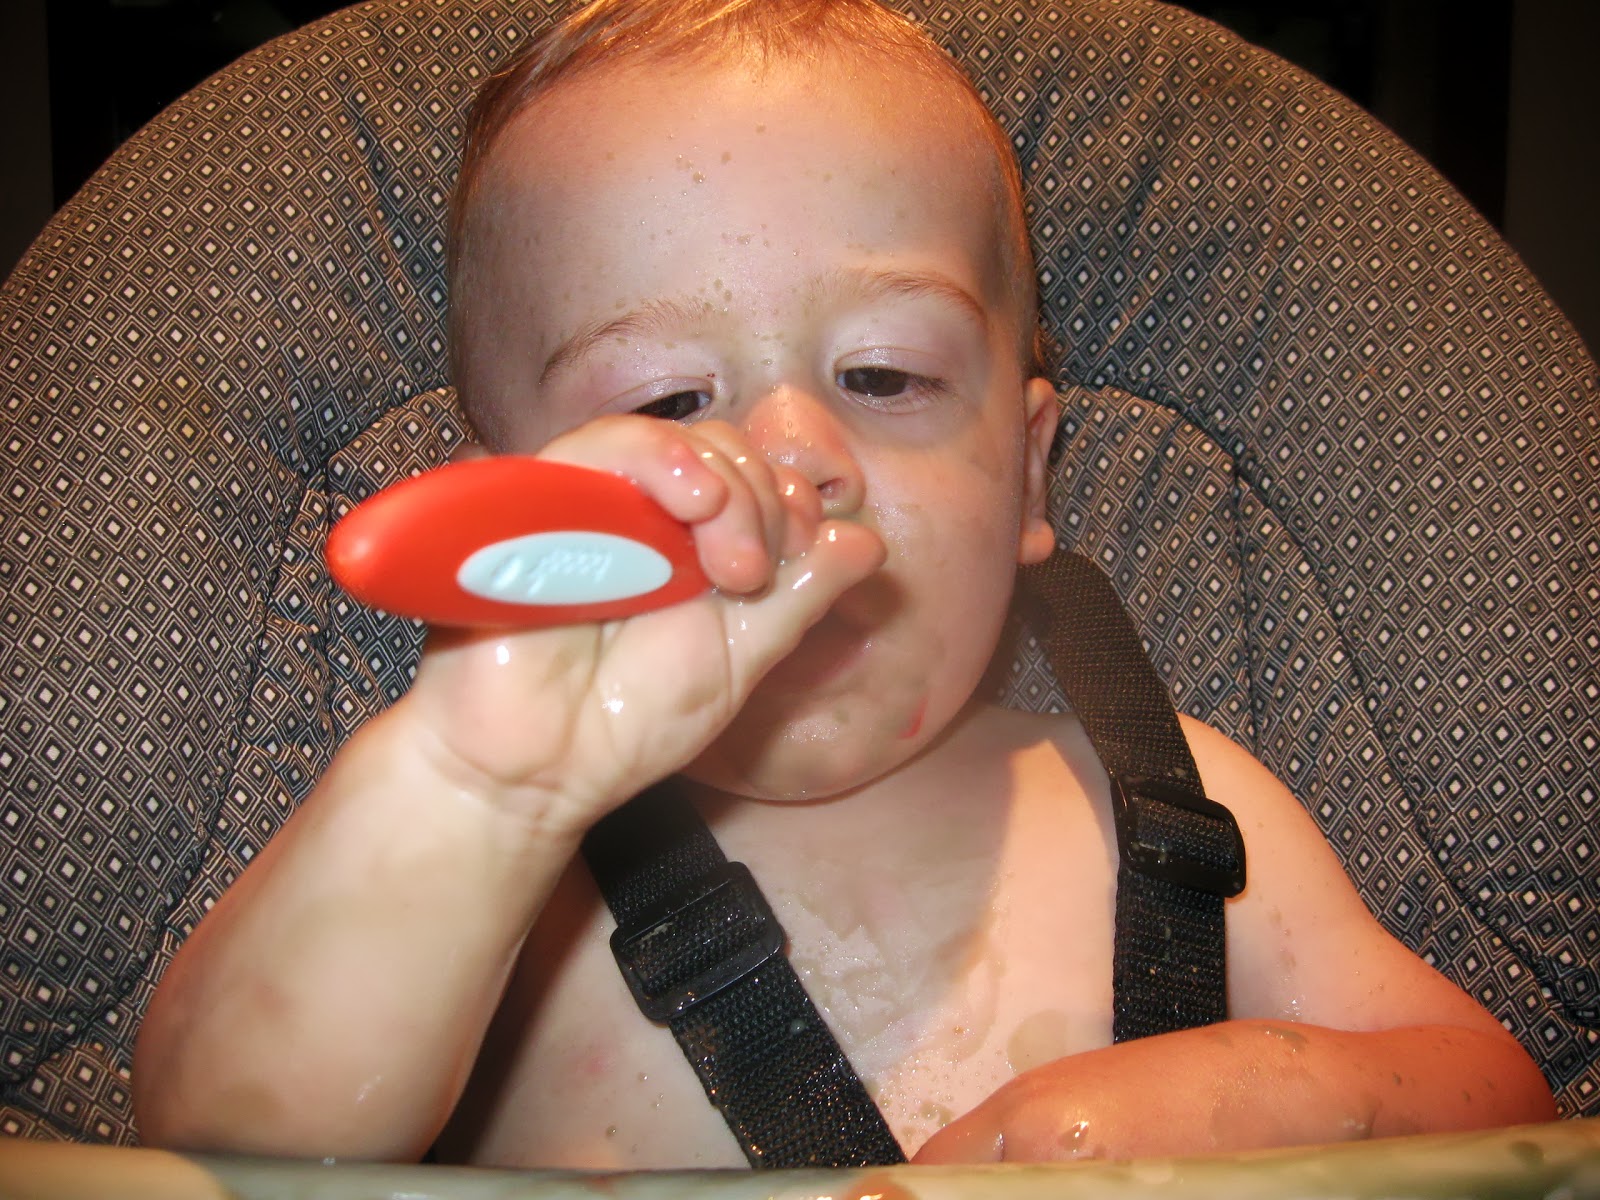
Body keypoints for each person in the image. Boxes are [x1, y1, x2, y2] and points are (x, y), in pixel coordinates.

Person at [131, 0, 1557, 1169]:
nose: (791, 461)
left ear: (1030, 476)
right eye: (669, 401)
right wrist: (474, 789)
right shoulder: (491, 878)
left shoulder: (1180, 816)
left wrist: (1269, 1094)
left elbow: (1498, 1094)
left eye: (883, 375)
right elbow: (220, 1139)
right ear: (516, 517)